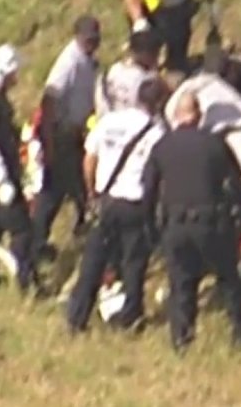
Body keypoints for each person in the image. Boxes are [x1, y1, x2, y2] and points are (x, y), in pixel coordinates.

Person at [143, 91, 241, 353]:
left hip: (176, 224)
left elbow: (148, 190)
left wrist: (152, 228)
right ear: (199, 115)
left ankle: (181, 337)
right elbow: (236, 181)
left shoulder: (162, 147)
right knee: (228, 278)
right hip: (211, 222)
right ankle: (240, 330)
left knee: (181, 282)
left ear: (175, 116)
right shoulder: (214, 143)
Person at [65, 78, 170, 333]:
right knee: (134, 261)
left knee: (93, 260)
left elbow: (89, 159)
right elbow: (159, 175)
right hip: (135, 204)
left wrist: (92, 193)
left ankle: (77, 316)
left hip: (106, 200)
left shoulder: (109, 121)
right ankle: (130, 316)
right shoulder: (157, 132)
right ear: (159, 103)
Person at [0, 44, 42, 294]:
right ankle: (28, 283)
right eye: (12, 72)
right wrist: (2, 183)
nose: (16, 76)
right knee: (22, 230)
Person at [32, 16, 102, 260]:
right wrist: (49, 142)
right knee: (54, 193)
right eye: (88, 39)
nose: (92, 43)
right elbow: (49, 101)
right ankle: (36, 242)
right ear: (77, 36)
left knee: (78, 186)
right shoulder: (68, 63)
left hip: (76, 134)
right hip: (61, 135)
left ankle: (82, 228)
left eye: (95, 38)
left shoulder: (88, 61)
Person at [94, 29, 164, 118]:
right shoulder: (148, 81)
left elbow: (101, 102)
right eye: (155, 53)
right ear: (146, 54)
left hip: (108, 122)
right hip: (135, 124)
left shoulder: (112, 70)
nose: (158, 58)